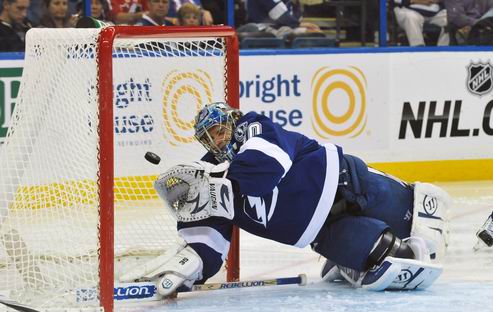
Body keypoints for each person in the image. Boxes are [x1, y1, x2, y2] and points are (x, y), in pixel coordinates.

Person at [120, 102, 450, 296]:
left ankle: (415, 206)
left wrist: (217, 180)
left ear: (233, 121)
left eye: (220, 129)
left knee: (425, 232)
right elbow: (208, 239)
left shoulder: (254, 127)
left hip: (349, 186)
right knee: (391, 259)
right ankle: (354, 253)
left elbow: (265, 170)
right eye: (210, 137)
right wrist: (187, 271)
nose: (218, 139)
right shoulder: (210, 178)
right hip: (323, 233)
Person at [237, 0, 321, 39]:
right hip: (260, 29)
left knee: (313, 33)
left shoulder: (291, 3)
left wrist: (306, 29)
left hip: (279, 29)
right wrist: (299, 25)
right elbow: (278, 13)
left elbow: (294, 18)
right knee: (291, 33)